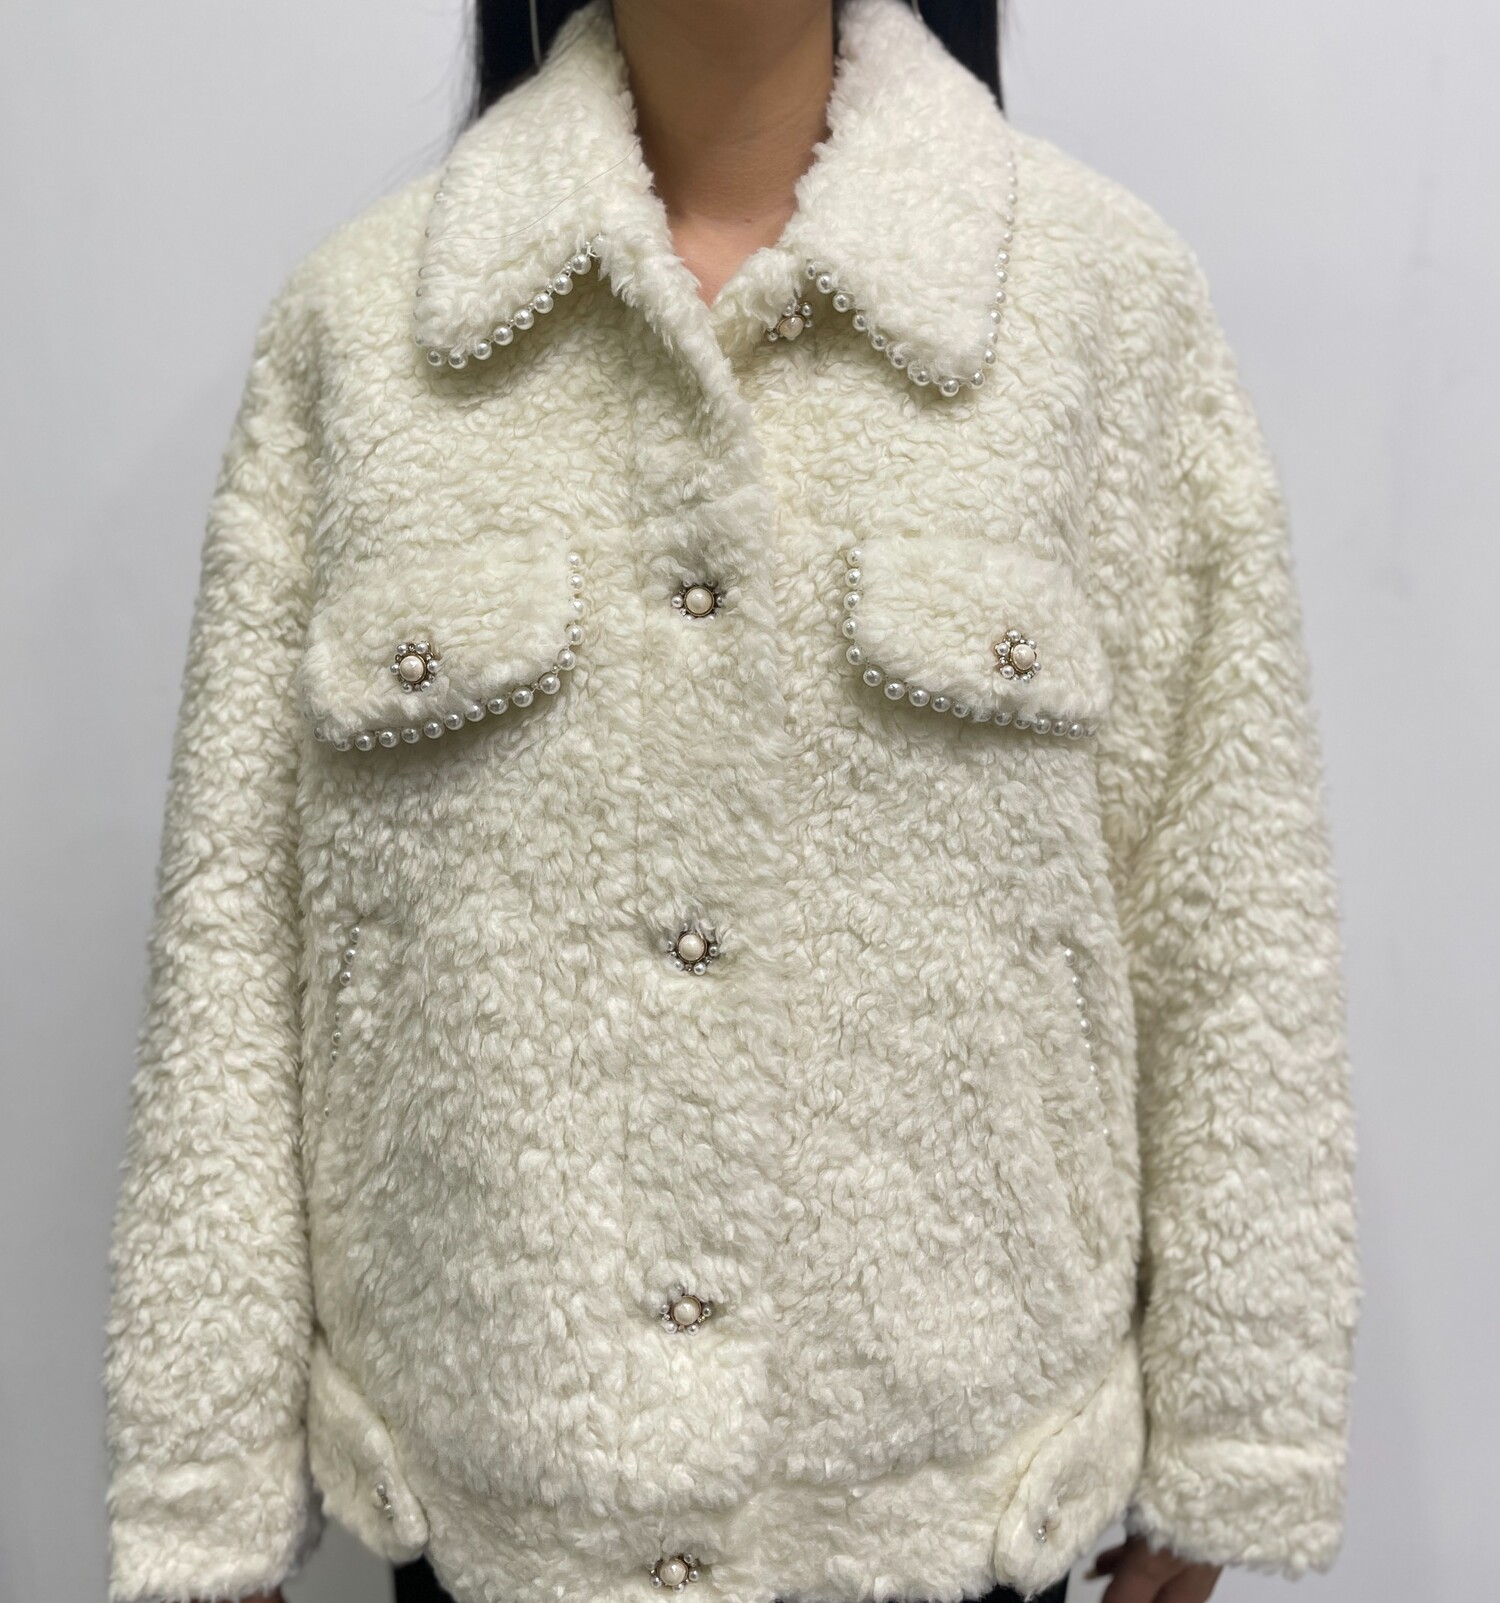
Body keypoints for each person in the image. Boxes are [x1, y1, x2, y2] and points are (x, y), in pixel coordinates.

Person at [102, 2, 1362, 1602]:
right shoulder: (361, 333)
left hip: (968, 1512)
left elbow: (1230, 904)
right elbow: (234, 944)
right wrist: (202, 1503)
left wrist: (1237, 1440)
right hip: (496, 1526)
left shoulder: (1099, 306)